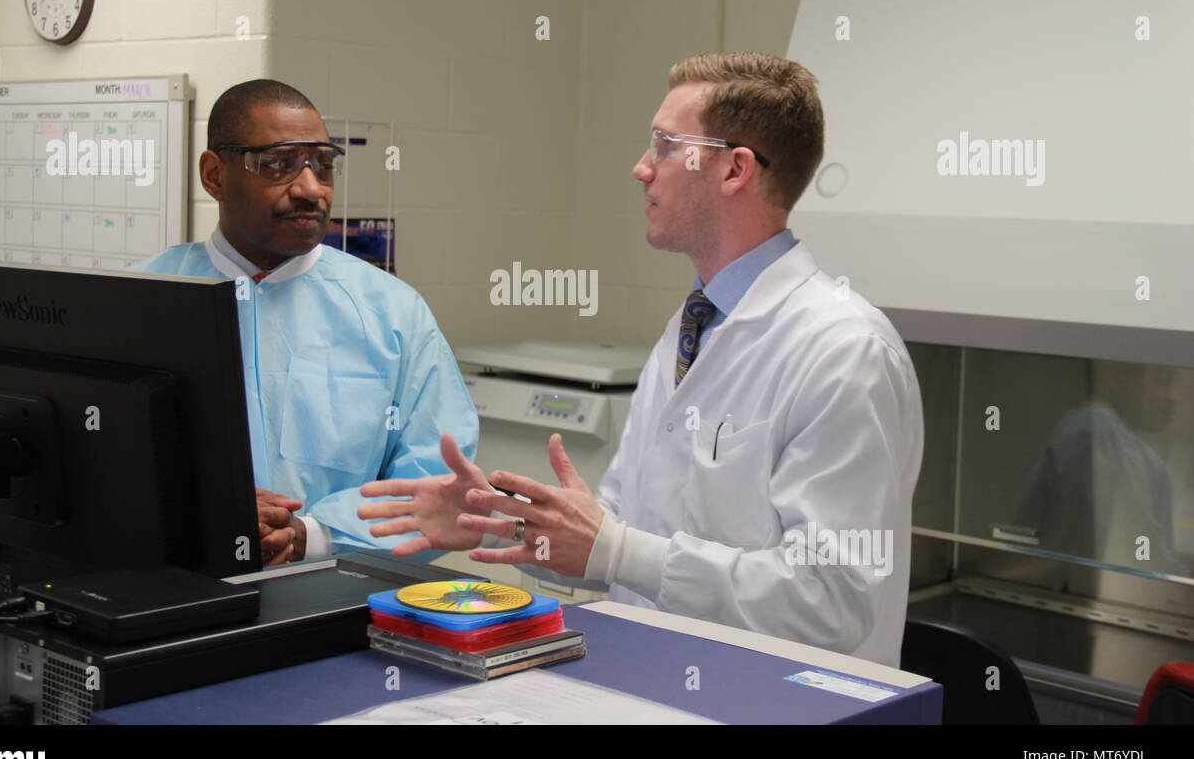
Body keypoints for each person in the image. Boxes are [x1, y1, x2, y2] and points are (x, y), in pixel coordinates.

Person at [360, 53, 924, 667]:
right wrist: (508, 523)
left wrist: (617, 551)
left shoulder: (845, 350)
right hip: (665, 683)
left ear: (735, 169)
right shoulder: (693, 326)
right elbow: (623, 536)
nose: (640, 168)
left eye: (664, 145)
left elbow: (831, 602)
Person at [133, 79, 477, 564]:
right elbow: (91, 459)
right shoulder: (138, 300)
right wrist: (200, 512)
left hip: (332, 599)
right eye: (278, 164)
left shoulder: (393, 313)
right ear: (214, 175)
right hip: (162, 596)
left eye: (324, 165)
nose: (311, 188)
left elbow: (438, 485)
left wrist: (309, 536)